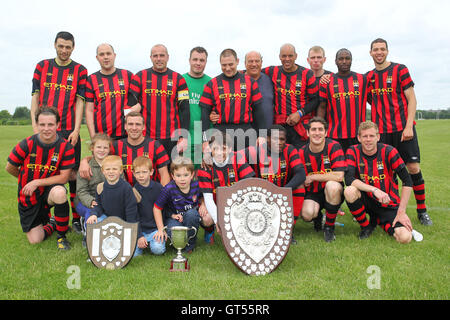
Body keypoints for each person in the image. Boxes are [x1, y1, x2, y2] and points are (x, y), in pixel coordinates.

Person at [366, 38, 431, 226]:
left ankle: (422, 211)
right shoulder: (369, 77)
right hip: (382, 133)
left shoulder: (400, 69)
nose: (379, 52)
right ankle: (389, 211)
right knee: (387, 173)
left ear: (387, 51)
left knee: (412, 168)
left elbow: (412, 99)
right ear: (370, 53)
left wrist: (409, 125)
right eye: (375, 49)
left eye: (382, 49)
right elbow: (370, 100)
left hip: (403, 130)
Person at [30, 31, 87, 233]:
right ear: (55, 45)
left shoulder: (80, 70)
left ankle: (77, 220)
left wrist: (76, 129)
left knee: (72, 176)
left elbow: (80, 102)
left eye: (68, 47)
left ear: (73, 48)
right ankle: (47, 218)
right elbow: (35, 98)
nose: (64, 50)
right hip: (45, 131)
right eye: (61, 46)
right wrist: (35, 127)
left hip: (68, 132)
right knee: (47, 174)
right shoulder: (42, 66)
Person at [6, 106, 75, 250]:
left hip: (48, 192)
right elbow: (10, 167)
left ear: (57, 125)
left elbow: (63, 178)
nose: (46, 128)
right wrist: (25, 180)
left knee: (60, 192)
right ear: (37, 125)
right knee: (35, 240)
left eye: (50, 124)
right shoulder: (26, 144)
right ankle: (54, 224)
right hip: (29, 197)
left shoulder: (65, 147)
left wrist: (37, 182)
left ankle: (61, 237)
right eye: (42, 124)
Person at [344, 121, 414, 244]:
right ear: (359, 138)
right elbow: (349, 179)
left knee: (405, 238)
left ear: (378, 137)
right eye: (364, 136)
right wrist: (375, 190)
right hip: (367, 199)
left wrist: (401, 212)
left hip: (387, 202)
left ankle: (379, 221)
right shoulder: (352, 151)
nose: (368, 139)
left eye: (371, 136)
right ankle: (366, 226)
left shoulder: (389, 151)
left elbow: (407, 181)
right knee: (349, 191)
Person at [239, 125, 306, 243]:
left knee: (300, 187)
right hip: (260, 194)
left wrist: (283, 191)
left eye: (282, 139)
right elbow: (234, 156)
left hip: (282, 191)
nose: (279, 142)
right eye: (275, 139)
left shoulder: (290, 150)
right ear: (268, 139)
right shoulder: (257, 150)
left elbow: (301, 174)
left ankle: (288, 230)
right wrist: (250, 176)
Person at [200, 48, 267, 151]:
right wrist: (204, 140)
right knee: (222, 167)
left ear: (237, 61)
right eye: (224, 65)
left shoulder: (251, 82)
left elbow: (259, 111)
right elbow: (204, 114)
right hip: (220, 133)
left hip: (246, 133)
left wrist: (262, 135)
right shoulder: (212, 84)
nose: (227, 68)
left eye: (231, 64)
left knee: (247, 166)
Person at [79, 112, 171, 186]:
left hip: (149, 194)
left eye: (138, 124)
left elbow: (164, 175)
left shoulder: (155, 145)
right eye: (130, 124)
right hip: (123, 196)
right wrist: (84, 161)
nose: (134, 128)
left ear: (143, 127)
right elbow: (99, 156)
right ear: (125, 126)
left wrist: (160, 199)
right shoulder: (116, 146)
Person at [130, 44, 190, 158]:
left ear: (167, 57)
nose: (159, 59)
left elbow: (185, 110)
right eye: (155, 56)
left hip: (172, 138)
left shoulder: (179, 79)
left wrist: (184, 137)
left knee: (173, 173)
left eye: (162, 55)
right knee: (146, 172)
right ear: (151, 57)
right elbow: (130, 107)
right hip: (145, 136)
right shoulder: (139, 76)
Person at [197, 131, 255, 244]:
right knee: (207, 218)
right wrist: (219, 221)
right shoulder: (205, 167)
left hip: (237, 202)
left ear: (229, 149)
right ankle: (210, 231)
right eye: (215, 148)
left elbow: (250, 185)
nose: (219, 152)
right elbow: (208, 199)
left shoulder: (237, 158)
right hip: (215, 203)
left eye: (223, 148)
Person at [297, 117, 347, 242]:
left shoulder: (334, 146)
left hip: (332, 192)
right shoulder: (301, 153)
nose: (317, 133)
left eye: (320, 129)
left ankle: (329, 228)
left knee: (332, 185)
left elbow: (339, 176)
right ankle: (317, 218)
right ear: (308, 133)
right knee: (307, 214)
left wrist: (313, 177)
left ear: (325, 133)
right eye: (313, 129)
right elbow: (298, 178)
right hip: (313, 193)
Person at [263, 43, 319, 148]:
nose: (287, 59)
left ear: (296, 56)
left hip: (300, 128)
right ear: (279, 57)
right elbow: (254, 71)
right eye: (284, 56)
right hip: (279, 127)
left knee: (300, 159)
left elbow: (315, 100)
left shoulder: (307, 74)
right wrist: (239, 72)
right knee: (281, 160)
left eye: (290, 56)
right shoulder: (273, 71)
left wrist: (299, 113)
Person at [85, 43, 141, 140]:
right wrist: (93, 136)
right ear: (97, 57)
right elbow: (89, 110)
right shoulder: (91, 79)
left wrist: (132, 110)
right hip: (102, 137)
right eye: (102, 54)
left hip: (126, 136)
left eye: (108, 53)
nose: (105, 57)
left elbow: (139, 102)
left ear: (114, 55)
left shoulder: (127, 75)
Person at [317, 48, 368, 151]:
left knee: (357, 166)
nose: (344, 61)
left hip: (358, 135)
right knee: (337, 166)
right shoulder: (327, 81)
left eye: (347, 58)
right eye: (341, 59)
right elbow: (322, 107)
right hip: (334, 135)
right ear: (336, 61)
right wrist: (320, 130)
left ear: (351, 60)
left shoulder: (362, 79)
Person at [154, 157, 204, 252]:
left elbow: (202, 197)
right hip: (173, 218)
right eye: (178, 175)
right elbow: (157, 208)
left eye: (186, 175)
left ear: (192, 175)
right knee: (174, 231)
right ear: (172, 176)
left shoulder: (196, 185)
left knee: (192, 214)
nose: (182, 179)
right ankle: (178, 244)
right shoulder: (168, 189)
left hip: (189, 217)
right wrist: (160, 229)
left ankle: (190, 244)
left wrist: (204, 205)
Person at [74, 133, 112, 245]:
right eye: (98, 147)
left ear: (109, 149)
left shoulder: (113, 164)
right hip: (86, 201)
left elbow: (121, 183)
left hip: (107, 200)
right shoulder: (86, 167)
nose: (102, 150)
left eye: (105, 147)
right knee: (91, 213)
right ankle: (88, 235)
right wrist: (91, 201)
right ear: (92, 148)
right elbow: (81, 190)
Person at [86, 155, 138, 225]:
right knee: (92, 222)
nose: (111, 172)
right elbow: (98, 205)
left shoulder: (126, 188)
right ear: (103, 171)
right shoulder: (100, 187)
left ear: (120, 171)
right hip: (106, 218)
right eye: (107, 169)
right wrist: (94, 214)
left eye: (114, 169)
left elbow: (131, 209)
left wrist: (130, 226)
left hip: (123, 220)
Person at [183, 47, 212, 168]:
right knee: (185, 177)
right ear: (189, 60)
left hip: (206, 139)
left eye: (202, 60)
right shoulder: (181, 80)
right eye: (195, 59)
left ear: (206, 62)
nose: (198, 63)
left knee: (203, 178)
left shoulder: (211, 82)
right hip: (185, 138)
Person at [132, 156, 165, 256]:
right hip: (140, 230)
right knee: (134, 255)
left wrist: (162, 229)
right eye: (138, 173)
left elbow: (164, 209)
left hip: (155, 230)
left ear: (151, 172)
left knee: (158, 249)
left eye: (144, 172)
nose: (141, 175)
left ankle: (152, 243)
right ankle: (141, 242)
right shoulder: (133, 191)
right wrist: (139, 235)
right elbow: (133, 216)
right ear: (133, 174)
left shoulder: (158, 188)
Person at [244, 51, 275, 129]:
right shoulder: (238, 80)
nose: (254, 64)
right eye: (250, 61)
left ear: (261, 62)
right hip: (244, 133)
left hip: (266, 132)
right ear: (245, 63)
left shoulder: (270, 79)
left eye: (257, 61)